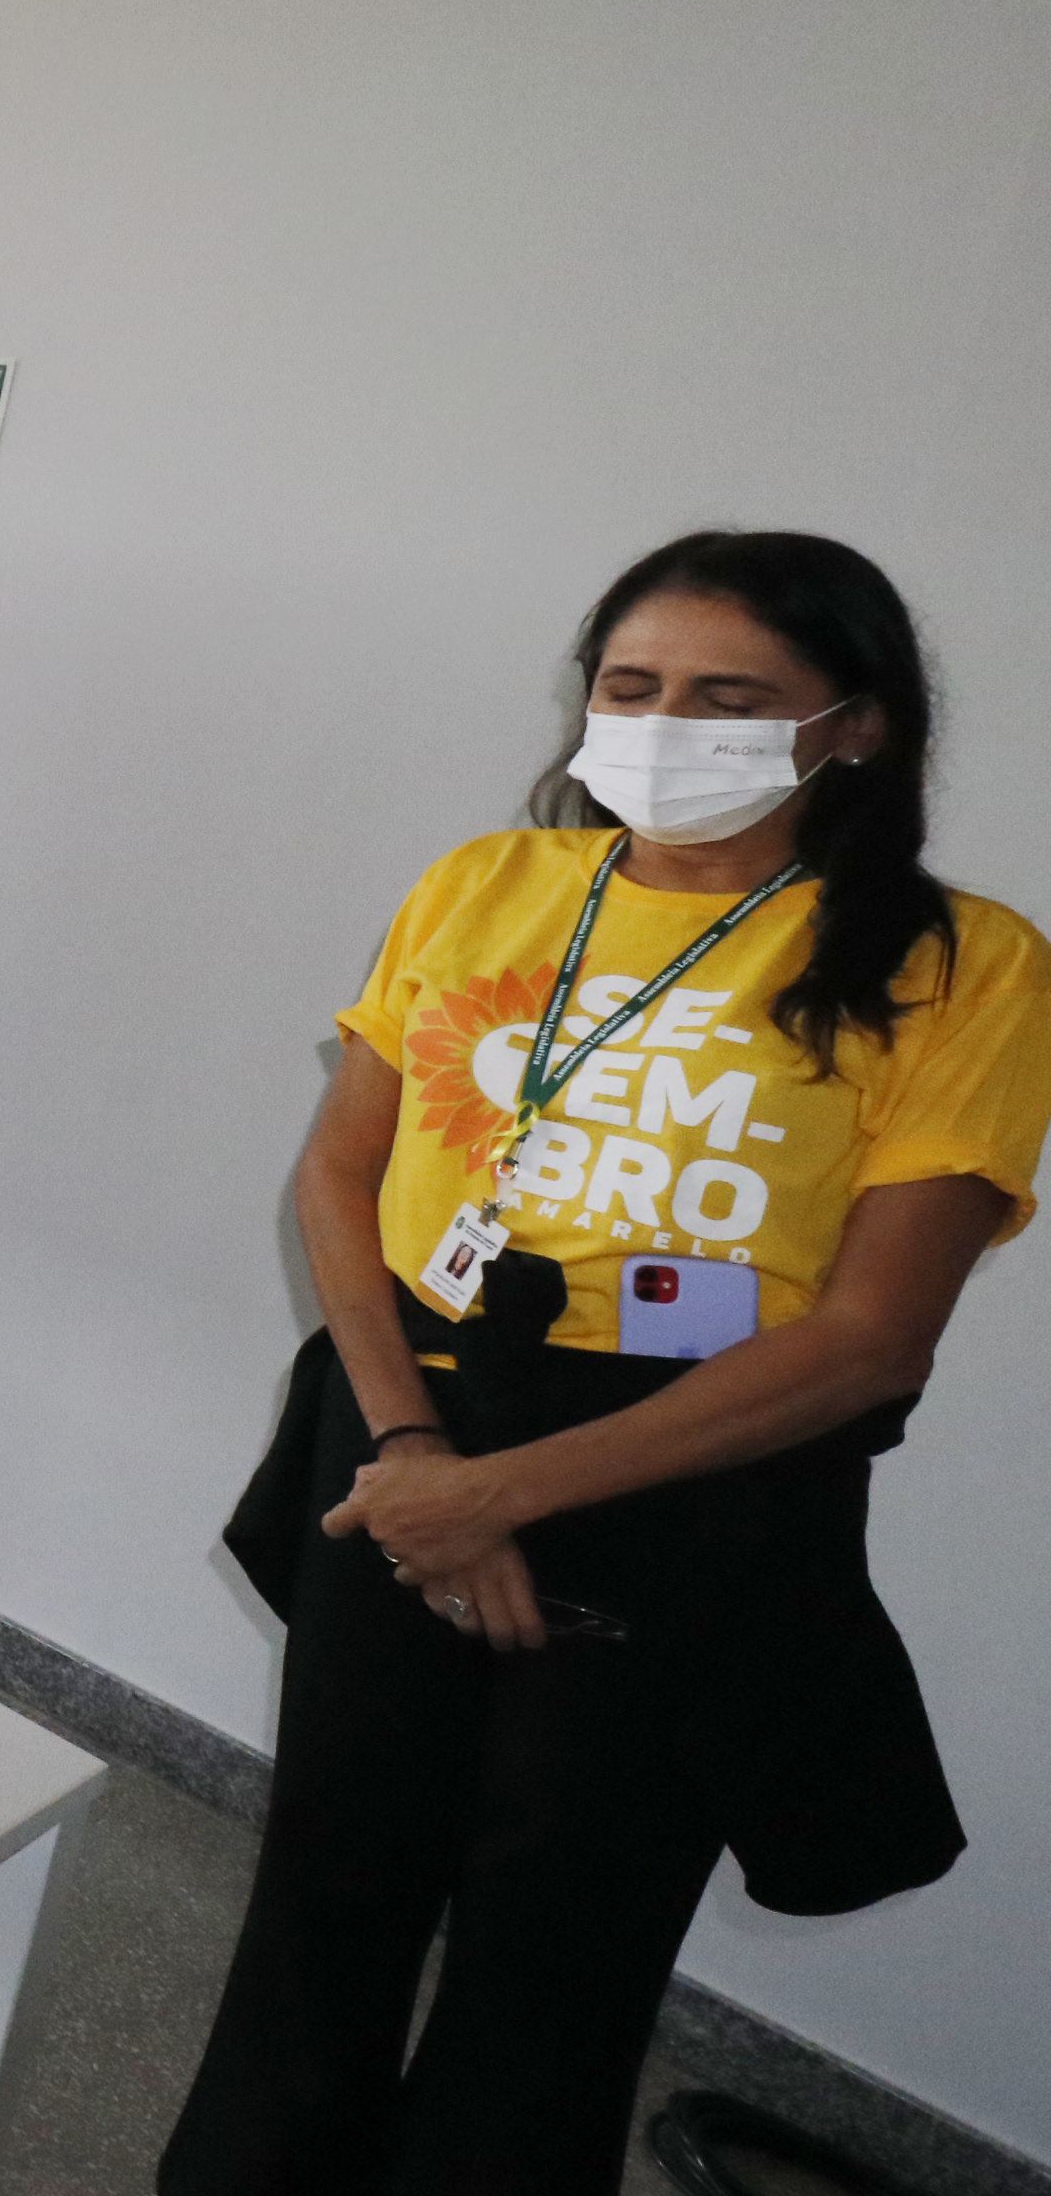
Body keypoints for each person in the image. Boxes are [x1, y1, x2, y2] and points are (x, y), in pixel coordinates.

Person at [164, 532, 1051, 2196]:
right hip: (403, 1419)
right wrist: (418, 1460)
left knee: (559, 1954)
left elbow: (873, 1336)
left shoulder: (960, 962)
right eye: (630, 687)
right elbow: (338, 1178)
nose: (661, 729)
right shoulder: (482, 883)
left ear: (854, 725)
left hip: (693, 1478)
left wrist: (498, 1496)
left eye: (729, 698)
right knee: (324, 1892)